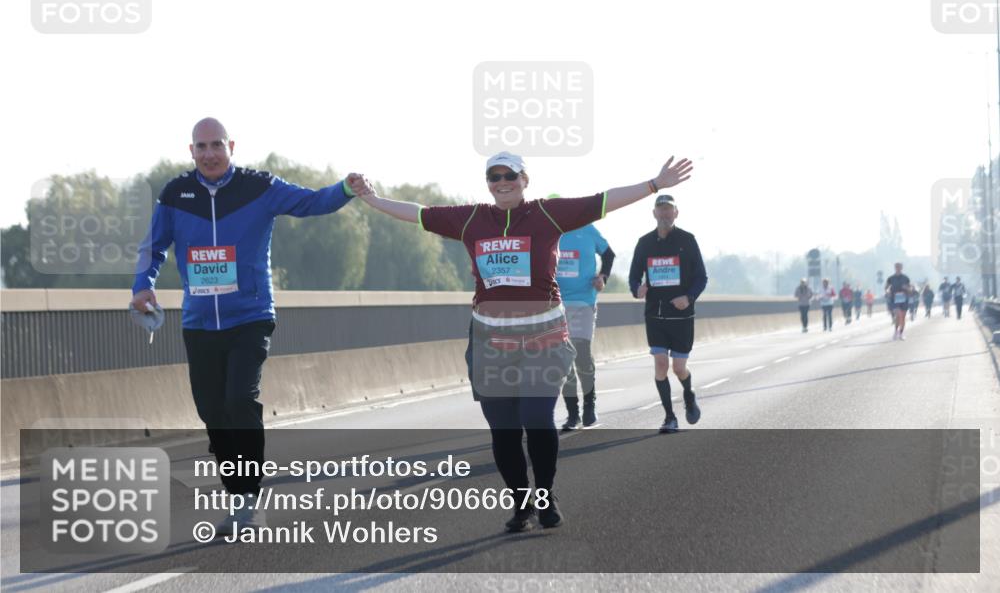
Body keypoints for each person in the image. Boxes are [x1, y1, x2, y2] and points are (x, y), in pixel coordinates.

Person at [352, 151, 693, 532]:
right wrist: (371, 198)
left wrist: (654, 185)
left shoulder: (548, 214)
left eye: (509, 175)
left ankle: (545, 497)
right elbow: (418, 213)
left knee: (536, 419)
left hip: (543, 335)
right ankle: (521, 505)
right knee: (504, 430)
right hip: (490, 340)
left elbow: (604, 200)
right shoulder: (471, 219)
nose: (502, 182)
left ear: (524, 179)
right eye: (493, 176)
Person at [131, 118, 359, 533]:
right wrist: (142, 286)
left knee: (240, 401)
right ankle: (237, 495)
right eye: (201, 147)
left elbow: (310, 203)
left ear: (231, 146)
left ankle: (250, 500)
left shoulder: (259, 187)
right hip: (199, 322)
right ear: (191, 151)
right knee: (212, 412)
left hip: (250, 316)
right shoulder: (175, 194)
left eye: (216, 145)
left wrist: (344, 188)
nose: (209, 153)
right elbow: (153, 247)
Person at [629, 194, 708, 434]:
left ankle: (688, 394)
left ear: (676, 213)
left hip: (682, 317)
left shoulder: (687, 240)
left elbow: (701, 277)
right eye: (660, 210)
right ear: (654, 213)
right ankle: (669, 417)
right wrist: (637, 289)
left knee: (679, 369)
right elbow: (634, 276)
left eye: (668, 210)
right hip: (655, 315)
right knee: (661, 365)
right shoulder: (644, 243)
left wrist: (689, 297)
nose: (664, 214)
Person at [550, 200, 615, 430]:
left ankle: (590, 404)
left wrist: (603, 277)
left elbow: (609, 254)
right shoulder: (548, 231)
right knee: (564, 359)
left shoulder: (586, 228)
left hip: (584, 302)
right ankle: (572, 413)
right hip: (556, 305)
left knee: (582, 353)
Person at [885, 262, 911, 340]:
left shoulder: (905, 278)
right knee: (898, 315)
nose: (898, 268)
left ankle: (901, 333)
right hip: (894, 298)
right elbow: (886, 287)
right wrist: (887, 291)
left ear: (901, 268)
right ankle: (896, 331)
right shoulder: (891, 278)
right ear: (895, 268)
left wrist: (906, 288)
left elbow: (910, 289)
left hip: (904, 299)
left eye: (899, 267)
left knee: (903, 317)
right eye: (896, 267)